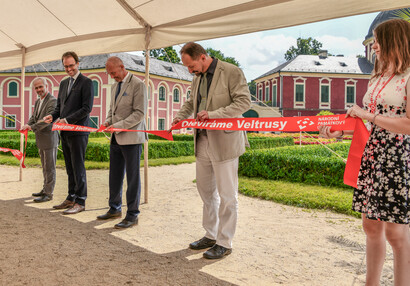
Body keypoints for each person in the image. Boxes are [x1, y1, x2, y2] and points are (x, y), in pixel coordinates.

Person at [319, 19, 410, 285]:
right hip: (372, 155)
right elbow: (367, 123)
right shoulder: (378, 77)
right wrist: (340, 132)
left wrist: (366, 113)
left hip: (398, 158)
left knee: (396, 233)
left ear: (395, 41)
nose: (375, 46)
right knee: (371, 227)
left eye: (379, 40)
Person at [171, 42, 251, 259]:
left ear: (203, 57)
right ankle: (211, 234)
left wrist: (214, 114)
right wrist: (180, 117)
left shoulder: (232, 71)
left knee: (227, 195)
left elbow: (244, 102)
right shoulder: (197, 77)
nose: (190, 71)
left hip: (225, 141)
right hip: (202, 141)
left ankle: (225, 242)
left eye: (191, 66)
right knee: (206, 192)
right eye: (187, 67)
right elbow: (191, 103)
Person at [96, 56, 147, 229]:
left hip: (132, 138)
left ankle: (132, 214)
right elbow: (112, 110)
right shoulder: (114, 85)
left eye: (114, 73)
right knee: (115, 175)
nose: (112, 76)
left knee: (133, 178)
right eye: (109, 74)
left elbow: (139, 113)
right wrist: (107, 122)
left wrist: (117, 126)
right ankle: (114, 208)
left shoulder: (138, 84)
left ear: (122, 67)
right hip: (116, 137)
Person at [44, 51, 94, 215]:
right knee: (69, 168)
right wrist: (53, 116)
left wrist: (67, 120)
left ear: (78, 63)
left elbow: (86, 109)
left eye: (71, 65)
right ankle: (71, 197)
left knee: (78, 167)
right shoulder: (64, 83)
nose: (69, 69)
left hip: (78, 132)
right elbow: (60, 108)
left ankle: (81, 201)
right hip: (64, 132)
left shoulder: (87, 82)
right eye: (66, 66)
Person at [21, 77, 59, 203]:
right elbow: (34, 117)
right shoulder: (38, 101)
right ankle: (45, 189)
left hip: (49, 139)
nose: (39, 90)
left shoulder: (52, 101)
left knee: (50, 167)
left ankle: (49, 193)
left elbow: (46, 121)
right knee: (44, 166)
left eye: (40, 87)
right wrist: (27, 124)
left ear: (46, 86)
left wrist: (31, 127)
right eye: (36, 88)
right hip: (41, 139)